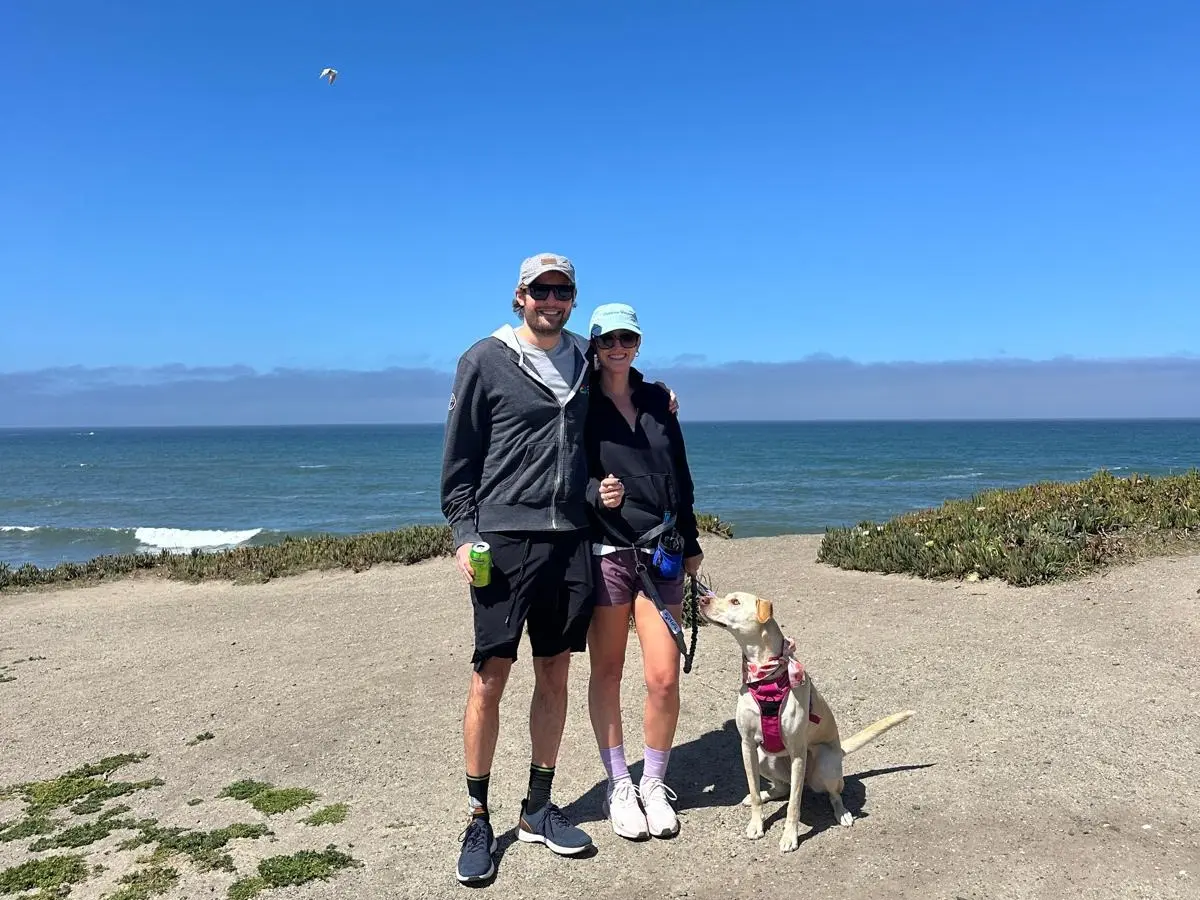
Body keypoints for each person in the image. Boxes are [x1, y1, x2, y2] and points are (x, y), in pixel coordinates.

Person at [441, 253, 616, 884]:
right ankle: (478, 816)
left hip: (569, 538)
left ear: (572, 298)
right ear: (519, 297)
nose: (551, 299)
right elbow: (460, 460)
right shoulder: (484, 359)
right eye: (540, 289)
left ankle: (539, 808)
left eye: (562, 289)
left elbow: (620, 394)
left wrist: (659, 396)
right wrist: (464, 535)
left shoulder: (586, 361)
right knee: (490, 676)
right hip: (502, 540)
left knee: (554, 672)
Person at [583, 302, 704, 841]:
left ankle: (652, 783)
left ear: (637, 343)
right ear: (593, 344)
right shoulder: (579, 402)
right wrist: (594, 493)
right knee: (607, 673)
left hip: (662, 553)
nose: (617, 348)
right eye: (607, 340)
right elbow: (567, 472)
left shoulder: (657, 399)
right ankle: (618, 783)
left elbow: (680, 472)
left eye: (626, 339)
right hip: (607, 552)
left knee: (662, 676)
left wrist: (694, 539)